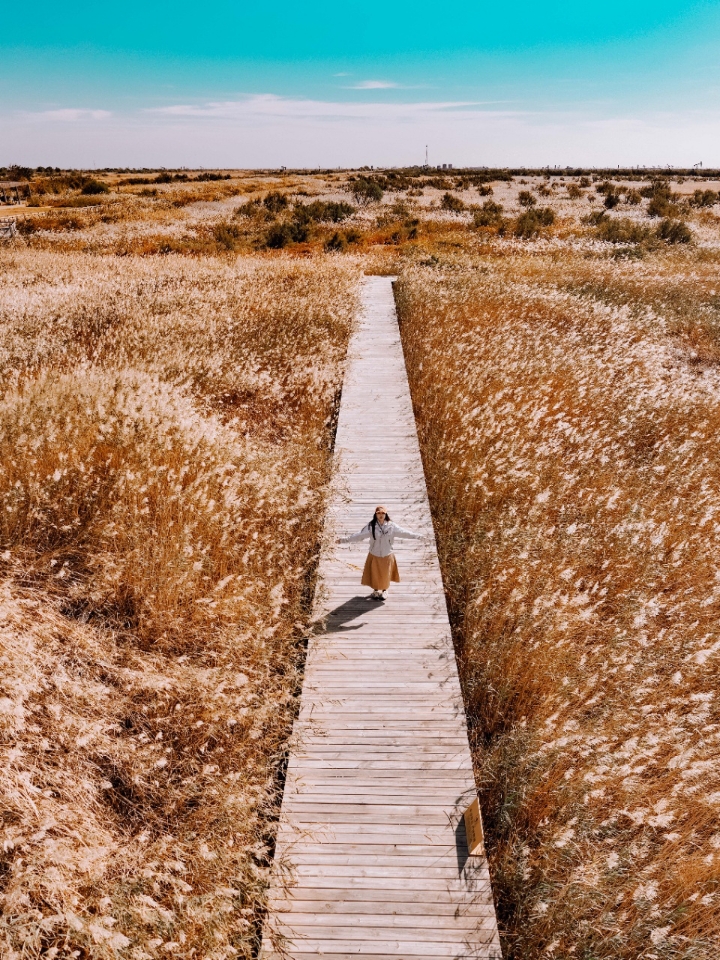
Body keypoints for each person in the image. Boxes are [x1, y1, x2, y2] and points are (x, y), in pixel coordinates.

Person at [338, 505, 424, 600]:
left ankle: (385, 591)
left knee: (385, 574)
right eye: (378, 513)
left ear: (386, 514)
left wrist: (419, 537)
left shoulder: (392, 526)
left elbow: (404, 533)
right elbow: (359, 535)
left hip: (387, 554)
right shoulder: (371, 526)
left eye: (383, 513)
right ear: (375, 515)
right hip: (374, 554)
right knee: (374, 573)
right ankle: (375, 591)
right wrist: (343, 540)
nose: (381, 515)